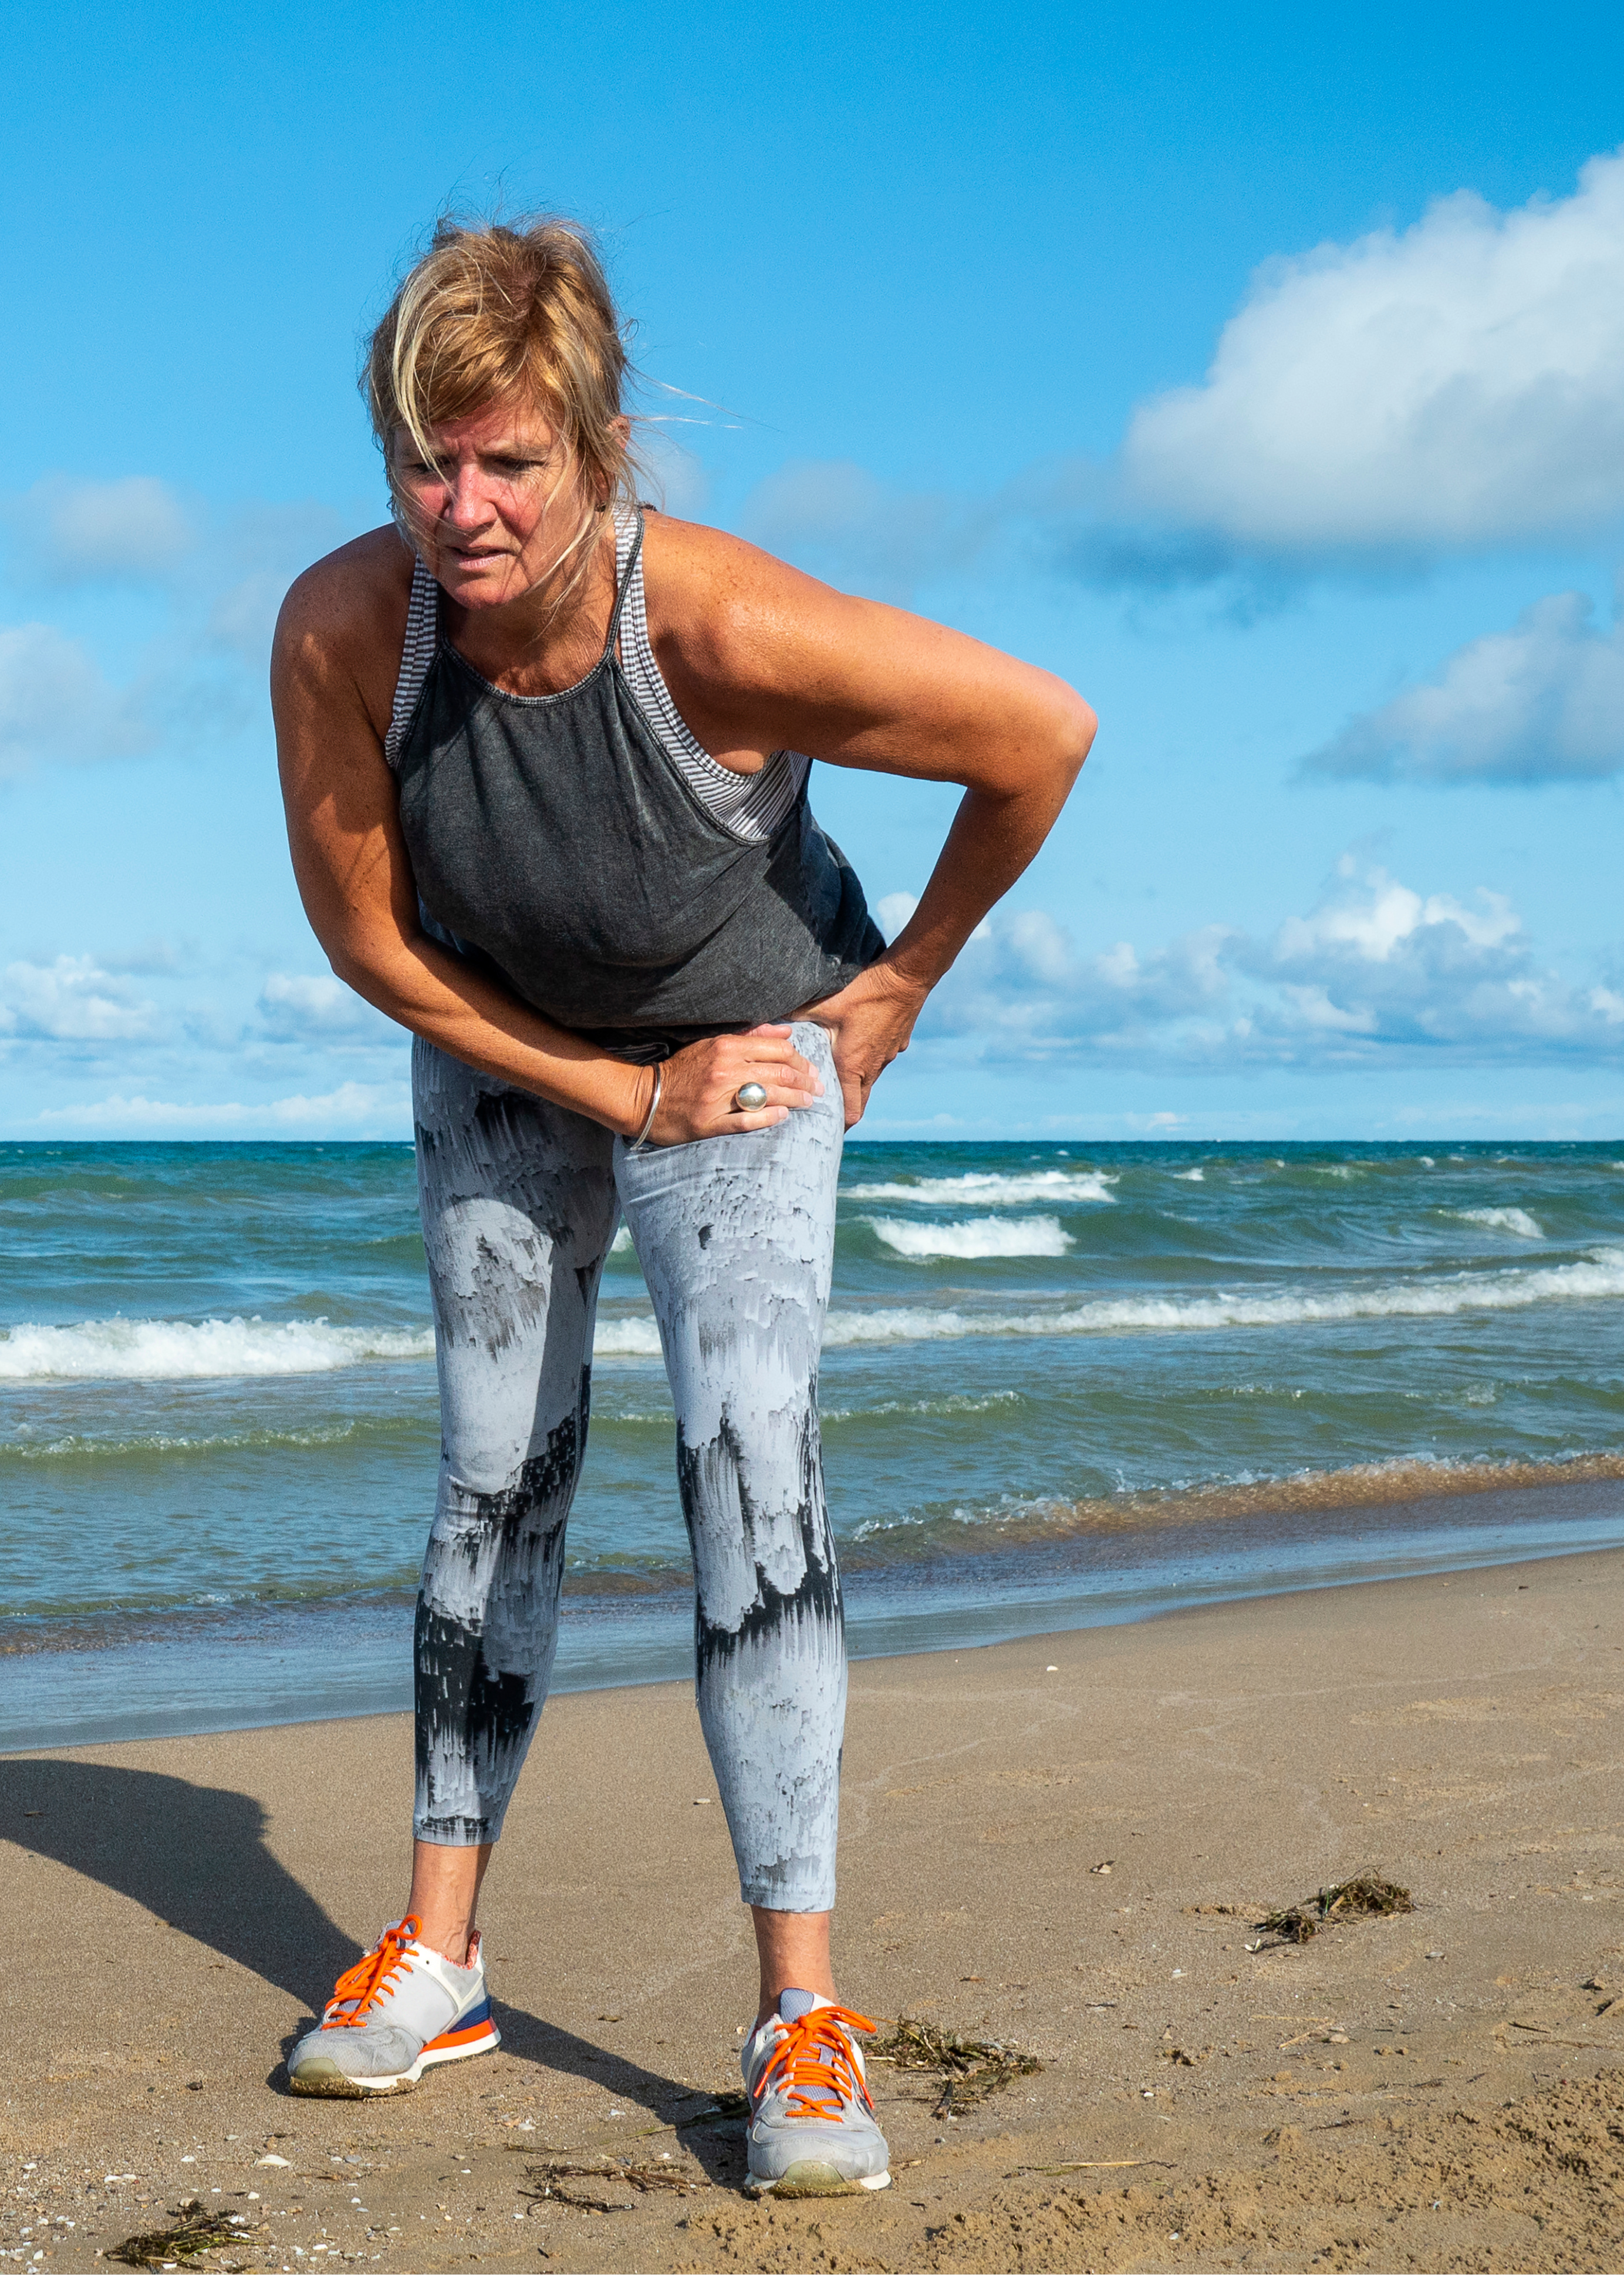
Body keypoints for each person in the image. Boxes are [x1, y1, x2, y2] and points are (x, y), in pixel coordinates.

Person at [266, 215, 1093, 2198]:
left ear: (597, 449)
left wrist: (889, 990)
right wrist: (599, 1086)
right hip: (502, 1038)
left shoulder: (709, 626)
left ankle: (798, 2016)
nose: (459, 509)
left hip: (742, 1047)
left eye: (506, 462)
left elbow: (1038, 736)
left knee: (746, 1459)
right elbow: (367, 940)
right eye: (422, 461)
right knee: (492, 1471)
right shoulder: (340, 631)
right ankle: (440, 1958)